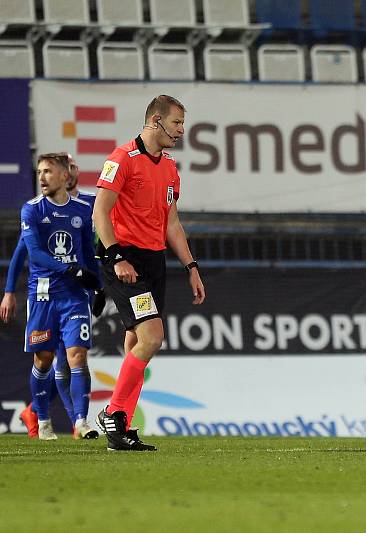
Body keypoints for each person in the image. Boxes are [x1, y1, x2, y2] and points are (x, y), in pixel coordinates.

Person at [93, 94, 205, 452]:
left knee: (137, 343)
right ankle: (113, 412)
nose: (181, 131)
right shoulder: (121, 159)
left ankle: (119, 427)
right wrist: (116, 257)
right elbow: (100, 213)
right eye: (176, 123)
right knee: (153, 337)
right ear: (156, 120)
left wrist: (191, 266)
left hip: (154, 261)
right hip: (124, 260)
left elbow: (172, 222)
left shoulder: (170, 168)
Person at [1, 153, 101, 440]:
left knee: (76, 357)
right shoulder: (31, 210)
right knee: (44, 359)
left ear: (65, 175)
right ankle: (41, 418)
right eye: (39, 171)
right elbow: (29, 253)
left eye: (48, 171)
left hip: (74, 295)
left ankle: (81, 422)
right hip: (43, 295)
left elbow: (88, 254)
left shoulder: (84, 208)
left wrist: (98, 288)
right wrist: (9, 291)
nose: (42, 176)